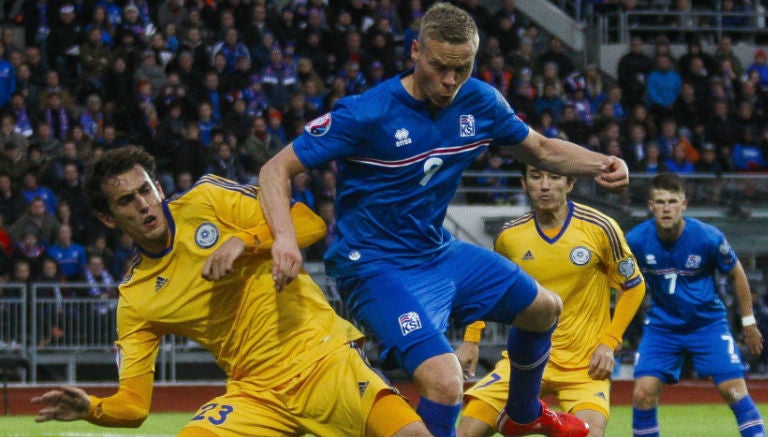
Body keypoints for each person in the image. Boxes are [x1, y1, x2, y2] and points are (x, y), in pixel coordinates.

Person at [258, 4, 629, 437]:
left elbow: (542, 149)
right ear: (416, 51)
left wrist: (601, 163)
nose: (450, 81)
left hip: (437, 253)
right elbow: (274, 170)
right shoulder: (366, 113)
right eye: (439, 67)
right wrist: (284, 239)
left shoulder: (481, 101)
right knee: (446, 381)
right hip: (375, 265)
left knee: (544, 308)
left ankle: (524, 413)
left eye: (463, 67)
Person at [31, 147, 432, 437]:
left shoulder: (207, 200)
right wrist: (93, 409)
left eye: (146, 190)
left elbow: (307, 221)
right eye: (126, 201)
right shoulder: (137, 297)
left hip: (323, 358)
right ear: (107, 217)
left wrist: (244, 240)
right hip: (255, 393)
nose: (144, 205)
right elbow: (134, 406)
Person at [455, 165, 646, 437]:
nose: (544, 185)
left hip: (584, 365)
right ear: (524, 183)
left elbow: (634, 286)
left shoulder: (601, 227)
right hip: (524, 360)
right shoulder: (510, 236)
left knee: (589, 433)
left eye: (553, 177)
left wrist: (609, 343)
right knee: (464, 433)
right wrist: (470, 340)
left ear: (569, 184)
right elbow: (488, 290)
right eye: (535, 177)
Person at [627, 173, 766, 437]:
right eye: (660, 202)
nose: (666, 208)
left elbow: (737, 273)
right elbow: (618, 279)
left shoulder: (707, 237)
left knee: (734, 389)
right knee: (643, 393)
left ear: (684, 204)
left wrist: (749, 323)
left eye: (672, 201)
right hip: (662, 327)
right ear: (650, 206)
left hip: (707, 325)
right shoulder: (635, 240)